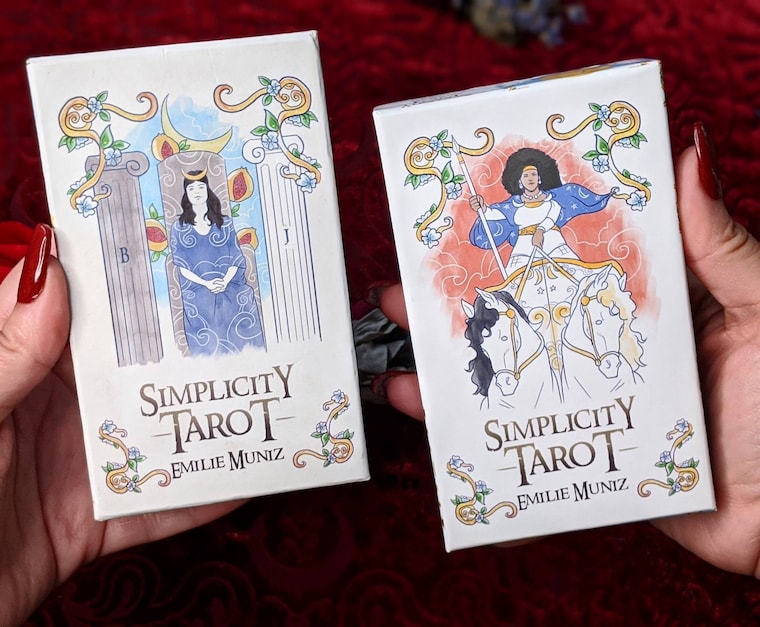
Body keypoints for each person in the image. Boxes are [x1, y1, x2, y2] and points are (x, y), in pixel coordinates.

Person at [0, 122, 755, 625]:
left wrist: (608, 195)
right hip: (519, 268)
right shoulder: (509, 210)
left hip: (557, 262)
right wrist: (484, 220)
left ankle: (612, 353)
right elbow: (481, 232)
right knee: (491, 316)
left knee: (600, 288)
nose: (530, 185)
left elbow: (596, 196)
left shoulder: (560, 196)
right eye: (522, 179)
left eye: (535, 177)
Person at [468, 147, 616, 272]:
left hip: (553, 244)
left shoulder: (552, 202)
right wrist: (482, 207)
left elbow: (550, 219)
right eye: (526, 175)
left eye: (533, 174)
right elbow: (492, 214)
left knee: (573, 273)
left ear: (540, 178)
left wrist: (540, 231)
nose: (530, 178)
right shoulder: (514, 206)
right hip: (524, 249)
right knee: (515, 283)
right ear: (519, 181)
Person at [169, 169, 265, 356]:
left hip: (229, 283)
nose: (196, 192)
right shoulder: (179, 228)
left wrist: (225, 281)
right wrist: (206, 283)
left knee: (242, 298)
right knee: (202, 305)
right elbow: (181, 266)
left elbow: (235, 257)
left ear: (207, 190)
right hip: (198, 288)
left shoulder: (225, 223)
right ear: (186, 194)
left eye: (200, 187)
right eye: (191, 188)